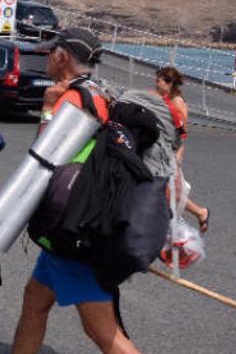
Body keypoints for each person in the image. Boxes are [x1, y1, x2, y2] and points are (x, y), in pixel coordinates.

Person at [11, 28, 140, 354]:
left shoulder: (71, 98)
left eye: (51, 51)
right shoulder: (98, 94)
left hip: (73, 229)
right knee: (34, 303)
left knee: (103, 333)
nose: (47, 57)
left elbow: (44, 158)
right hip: (78, 219)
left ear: (62, 56)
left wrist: (47, 109)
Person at [153, 67, 209, 233]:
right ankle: (183, 217)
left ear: (168, 83)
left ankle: (199, 213)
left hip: (172, 149)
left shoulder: (177, 101)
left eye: (159, 81)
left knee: (170, 191)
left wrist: (177, 153)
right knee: (163, 188)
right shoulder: (164, 96)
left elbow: (182, 131)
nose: (156, 83)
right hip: (160, 146)